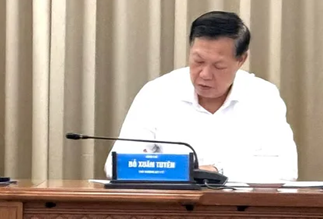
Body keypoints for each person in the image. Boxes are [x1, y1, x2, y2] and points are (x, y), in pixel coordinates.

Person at [104, 11, 298, 182]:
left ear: (241, 60)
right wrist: (177, 171)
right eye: (198, 61)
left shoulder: (262, 96)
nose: (205, 74)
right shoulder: (158, 93)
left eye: (218, 66)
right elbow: (116, 165)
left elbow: (285, 168)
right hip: (173, 206)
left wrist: (216, 172)